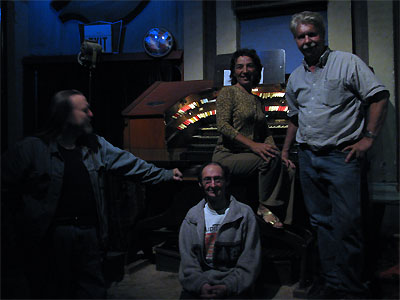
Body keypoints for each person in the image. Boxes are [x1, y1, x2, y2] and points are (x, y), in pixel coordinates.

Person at [1, 89, 183, 299]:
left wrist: (166, 175)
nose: (91, 114)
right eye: (84, 110)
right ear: (64, 115)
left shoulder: (95, 145)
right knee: (51, 290)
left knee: (93, 291)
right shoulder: (32, 149)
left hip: (89, 234)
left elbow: (131, 164)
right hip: (51, 236)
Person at [281, 11, 389, 299]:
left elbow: (379, 97)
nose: (307, 41)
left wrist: (368, 139)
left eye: (311, 34)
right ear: (295, 40)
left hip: (341, 158)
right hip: (308, 157)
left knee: (349, 225)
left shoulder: (348, 63)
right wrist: (285, 149)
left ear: (322, 34)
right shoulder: (295, 77)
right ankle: (333, 284)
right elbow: (294, 117)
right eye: (301, 36)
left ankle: (353, 288)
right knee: (321, 224)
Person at [212, 48, 295, 228]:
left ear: (257, 70)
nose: (245, 71)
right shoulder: (229, 93)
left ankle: (286, 220)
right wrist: (254, 146)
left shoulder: (257, 100)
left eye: (249, 66)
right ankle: (265, 207)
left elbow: (265, 134)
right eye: (240, 67)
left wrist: (281, 154)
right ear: (234, 71)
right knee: (269, 160)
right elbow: (223, 126)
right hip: (227, 155)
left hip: (247, 155)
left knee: (289, 169)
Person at [178, 162, 261, 299]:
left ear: (226, 181)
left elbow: (250, 260)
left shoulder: (244, 214)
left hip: (234, 281)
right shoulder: (192, 217)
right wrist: (201, 285)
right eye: (207, 180)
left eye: (218, 179)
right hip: (201, 281)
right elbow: (188, 261)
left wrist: (227, 287)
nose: (213, 185)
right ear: (200, 184)